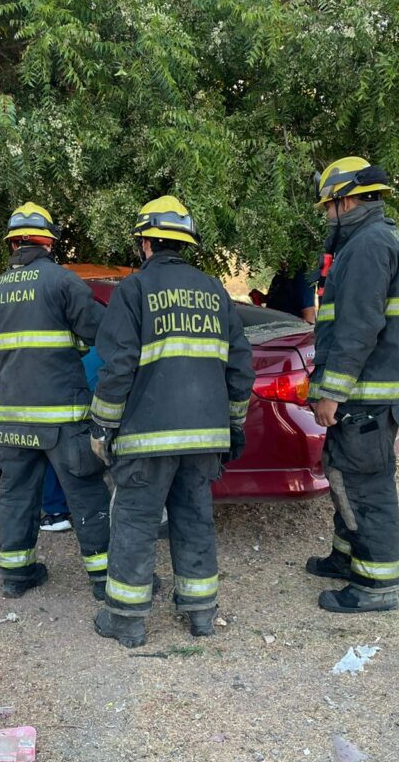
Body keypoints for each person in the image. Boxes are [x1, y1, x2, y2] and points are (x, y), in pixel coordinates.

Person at [89, 195, 255, 648]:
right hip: (204, 439)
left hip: (147, 437)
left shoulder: (134, 291)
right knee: (194, 518)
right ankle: (201, 615)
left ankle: (126, 621)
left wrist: (102, 425)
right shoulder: (215, 292)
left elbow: (119, 365)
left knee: (136, 521)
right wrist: (235, 425)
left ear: (145, 243)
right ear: (184, 244)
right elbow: (241, 367)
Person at [306, 156, 399, 613]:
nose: (327, 215)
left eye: (329, 206)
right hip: (381, 392)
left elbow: (357, 329)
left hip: (368, 396)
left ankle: (375, 587)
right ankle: (346, 558)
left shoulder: (366, 246)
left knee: (364, 485)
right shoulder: (383, 237)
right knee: (346, 473)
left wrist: (331, 393)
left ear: (349, 199)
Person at [0, 202, 111, 599]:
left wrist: (1, 409)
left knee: (17, 496)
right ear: (49, 242)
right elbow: (100, 333)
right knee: (86, 492)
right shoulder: (62, 282)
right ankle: (104, 581)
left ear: (13, 244)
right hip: (63, 419)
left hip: (12, 422)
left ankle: (16, 576)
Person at [40, 347, 105, 532]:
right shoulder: (109, 341)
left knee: (52, 451)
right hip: (108, 401)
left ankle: (56, 512)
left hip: (75, 404)